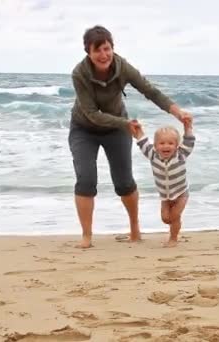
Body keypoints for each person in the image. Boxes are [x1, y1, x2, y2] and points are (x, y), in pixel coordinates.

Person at [68, 25, 192, 248]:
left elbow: (149, 90)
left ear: (112, 48)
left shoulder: (122, 66)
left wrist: (176, 111)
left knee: (124, 182)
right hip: (84, 128)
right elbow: (91, 113)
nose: (104, 55)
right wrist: (125, 124)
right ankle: (86, 236)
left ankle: (135, 230)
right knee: (86, 179)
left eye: (107, 49)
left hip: (117, 127)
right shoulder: (80, 74)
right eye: (97, 50)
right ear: (88, 52)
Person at [131, 120, 195, 247]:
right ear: (155, 145)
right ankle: (174, 228)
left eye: (171, 143)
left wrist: (187, 127)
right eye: (162, 143)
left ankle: (173, 238)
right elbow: (143, 143)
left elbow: (189, 142)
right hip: (165, 195)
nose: (166, 146)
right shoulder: (153, 155)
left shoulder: (180, 155)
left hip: (181, 192)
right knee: (166, 218)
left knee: (175, 216)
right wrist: (139, 130)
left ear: (177, 145)